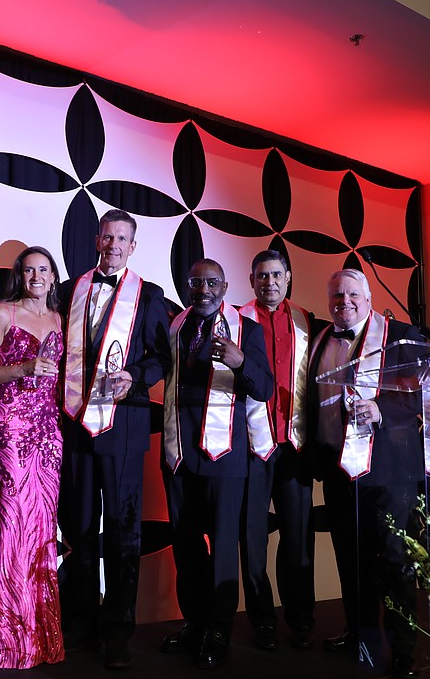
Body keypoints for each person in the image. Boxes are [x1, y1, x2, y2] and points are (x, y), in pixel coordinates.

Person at [58, 209, 170, 670]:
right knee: (79, 529)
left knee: (123, 533)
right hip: (76, 428)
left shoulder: (150, 295)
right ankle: (80, 620)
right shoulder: (71, 289)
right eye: (107, 237)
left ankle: (118, 630)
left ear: (133, 245)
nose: (113, 245)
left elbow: (161, 356)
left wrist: (135, 375)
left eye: (122, 239)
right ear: (97, 239)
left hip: (122, 429)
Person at [306, 268, 425, 679]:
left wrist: (383, 409)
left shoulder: (400, 336)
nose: (345, 301)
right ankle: (361, 638)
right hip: (340, 470)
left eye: (353, 294)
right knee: (351, 561)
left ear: (369, 298)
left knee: (393, 562)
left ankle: (404, 650)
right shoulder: (321, 340)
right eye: (337, 295)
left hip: (389, 471)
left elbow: (424, 391)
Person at [160, 259, 273, 669]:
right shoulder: (175, 325)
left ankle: (220, 627)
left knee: (225, 545)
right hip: (179, 454)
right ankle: (195, 621)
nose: (203, 289)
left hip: (225, 455)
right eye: (196, 283)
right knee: (186, 545)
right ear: (188, 286)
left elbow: (264, 388)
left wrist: (241, 361)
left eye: (212, 282)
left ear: (225, 286)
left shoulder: (248, 329)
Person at [0, 246, 66, 669]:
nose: (36, 276)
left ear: (53, 276)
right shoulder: (1, 313)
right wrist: (23, 369)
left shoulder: (62, 320)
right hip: (9, 428)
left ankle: (37, 639)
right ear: (19, 275)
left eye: (43, 270)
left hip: (48, 433)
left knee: (42, 530)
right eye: (29, 270)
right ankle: (1, 643)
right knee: (10, 526)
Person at [237, 250, 322, 651]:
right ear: (251, 280)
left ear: (288, 278)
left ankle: (302, 619)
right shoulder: (236, 320)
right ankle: (263, 621)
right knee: (252, 541)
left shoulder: (308, 321)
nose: (269, 282)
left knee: (299, 538)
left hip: (294, 446)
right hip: (253, 448)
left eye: (276, 275)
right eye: (261, 276)